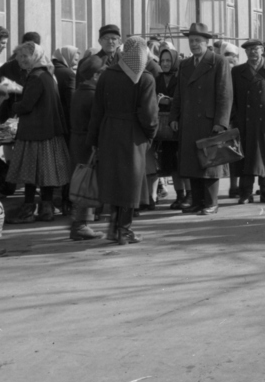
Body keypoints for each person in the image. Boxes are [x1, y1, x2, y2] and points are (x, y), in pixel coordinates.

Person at [87, 35, 158, 244]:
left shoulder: (107, 75)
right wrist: (151, 134)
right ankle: (123, 229)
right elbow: (149, 114)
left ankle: (114, 227)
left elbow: (97, 110)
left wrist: (93, 139)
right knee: (130, 182)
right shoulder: (145, 78)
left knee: (115, 181)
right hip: (133, 135)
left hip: (109, 131)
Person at [4, 41, 71, 224]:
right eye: (19, 56)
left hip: (35, 133)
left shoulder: (35, 76)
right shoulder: (47, 74)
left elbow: (26, 105)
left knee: (30, 175)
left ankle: (27, 212)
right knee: (45, 174)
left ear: (35, 56)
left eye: (25, 56)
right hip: (49, 131)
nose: (21, 60)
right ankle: (46, 210)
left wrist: (11, 101)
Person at [170, 22, 232, 216]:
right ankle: (197, 202)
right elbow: (178, 94)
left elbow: (225, 94)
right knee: (192, 162)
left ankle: (212, 202)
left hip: (209, 122)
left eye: (198, 41)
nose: (194, 44)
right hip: (189, 121)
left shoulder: (219, 62)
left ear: (207, 42)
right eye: (191, 41)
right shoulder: (185, 64)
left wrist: (220, 123)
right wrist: (174, 116)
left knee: (210, 163)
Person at [230, 39, 265, 204]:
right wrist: (235, 118)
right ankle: (245, 193)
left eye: (255, 49)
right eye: (248, 50)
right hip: (244, 123)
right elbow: (231, 97)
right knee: (245, 158)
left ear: (262, 50)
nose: (252, 53)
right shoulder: (237, 71)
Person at [68, 57, 106, 241]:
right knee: (87, 183)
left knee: (81, 181)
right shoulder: (92, 95)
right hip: (88, 144)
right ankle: (81, 225)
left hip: (77, 141)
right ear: (95, 75)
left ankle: (80, 223)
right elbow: (96, 123)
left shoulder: (78, 93)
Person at [151, 47, 186, 212]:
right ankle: (179, 195)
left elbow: (184, 100)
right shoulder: (156, 78)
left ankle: (188, 194)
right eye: (162, 60)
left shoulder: (181, 78)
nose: (165, 64)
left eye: (168, 61)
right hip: (162, 129)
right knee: (170, 163)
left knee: (182, 162)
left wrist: (169, 101)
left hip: (178, 124)